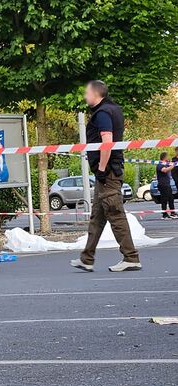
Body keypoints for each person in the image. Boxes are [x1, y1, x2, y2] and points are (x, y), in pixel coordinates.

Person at [71, 80, 141, 272]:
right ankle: (87, 258)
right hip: (108, 172)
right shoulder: (113, 109)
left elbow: (107, 141)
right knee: (97, 216)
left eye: (87, 93)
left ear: (96, 94)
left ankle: (131, 257)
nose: (85, 97)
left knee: (115, 214)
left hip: (108, 173)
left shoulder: (102, 113)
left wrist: (102, 168)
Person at [156, 152, 176, 220]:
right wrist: (172, 166)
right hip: (163, 185)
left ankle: (172, 213)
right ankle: (164, 214)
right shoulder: (160, 165)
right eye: (168, 156)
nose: (169, 158)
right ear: (165, 157)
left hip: (167, 184)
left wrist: (172, 164)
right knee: (164, 199)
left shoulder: (166, 164)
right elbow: (165, 170)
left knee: (171, 198)